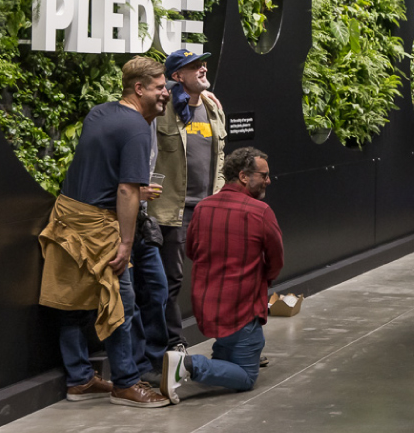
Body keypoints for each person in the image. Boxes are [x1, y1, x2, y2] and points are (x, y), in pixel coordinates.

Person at [38, 56, 172, 408]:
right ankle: (127, 383)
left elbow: (100, 166)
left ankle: (79, 379)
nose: (166, 93)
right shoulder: (136, 129)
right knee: (120, 304)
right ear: (139, 88)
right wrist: (126, 243)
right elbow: (127, 190)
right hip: (98, 226)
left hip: (68, 216)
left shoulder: (100, 112)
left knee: (72, 303)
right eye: (160, 87)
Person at [162, 147, 284, 403]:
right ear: (243, 176)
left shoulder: (203, 208)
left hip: (207, 306)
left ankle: (215, 361)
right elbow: (276, 260)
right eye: (264, 175)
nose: (268, 180)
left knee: (234, 351)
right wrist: (262, 278)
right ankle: (187, 365)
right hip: (242, 306)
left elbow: (192, 250)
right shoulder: (261, 212)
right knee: (247, 376)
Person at [147, 49, 227, 356]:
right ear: (177, 77)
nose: (203, 69)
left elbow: (220, 156)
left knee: (219, 277)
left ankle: (231, 342)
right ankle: (173, 342)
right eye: (193, 66)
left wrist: (219, 195)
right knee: (171, 281)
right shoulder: (161, 108)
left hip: (209, 210)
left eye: (203, 63)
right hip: (172, 212)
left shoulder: (212, 107)